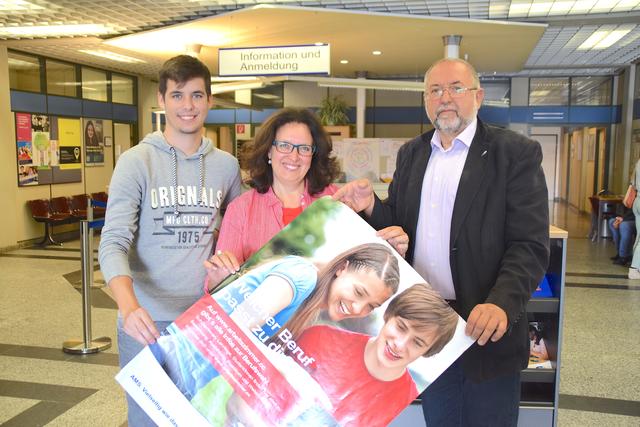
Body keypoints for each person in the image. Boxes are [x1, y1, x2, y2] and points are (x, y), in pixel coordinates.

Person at [334, 58, 549, 426]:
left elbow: (528, 245)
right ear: (425, 101)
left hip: (485, 329)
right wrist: (371, 208)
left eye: (455, 88)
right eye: (435, 90)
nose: (444, 97)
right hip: (427, 329)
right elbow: (400, 229)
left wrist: (500, 303)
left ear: (478, 96)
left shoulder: (513, 153)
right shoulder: (413, 153)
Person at [98, 54, 242, 426]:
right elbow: (113, 241)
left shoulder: (227, 166)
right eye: (177, 95)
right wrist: (129, 307)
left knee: (202, 418)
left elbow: (238, 231)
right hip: (145, 321)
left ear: (210, 101)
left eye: (196, 95)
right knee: (147, 419)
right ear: (161, 100)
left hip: (204, 322)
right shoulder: (136, 161)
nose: (187, 106)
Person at [186, 243, 401, 424]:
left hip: (191, 375)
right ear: (342, 268)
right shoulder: (302, 277)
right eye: (358, 292)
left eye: (370, 306)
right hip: (181, 357)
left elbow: (237, 397)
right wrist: (294, 373)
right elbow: (235, 327)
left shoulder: (309, 306)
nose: (357, 309)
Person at [204, 107, 409, 286]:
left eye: (304, 148)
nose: (294, 156)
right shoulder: (241, 209)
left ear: (313, 155)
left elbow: (364, 268)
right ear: (268, 151)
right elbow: (219, 284)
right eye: (284, 146)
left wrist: (392, 251)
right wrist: (218, 276)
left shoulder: (336, 202)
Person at [287, 283, 459, 427]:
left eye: (418, 343)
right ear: (388, 315)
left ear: (428, 351)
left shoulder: (406, 405)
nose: (400, 344)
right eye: (401, 327)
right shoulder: (319, 337)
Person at [629, 159, 640, 279]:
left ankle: (636, 265)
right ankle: (634, 268)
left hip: (637, 201)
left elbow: (632, 182)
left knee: (639, 236)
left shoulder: (638, 162)